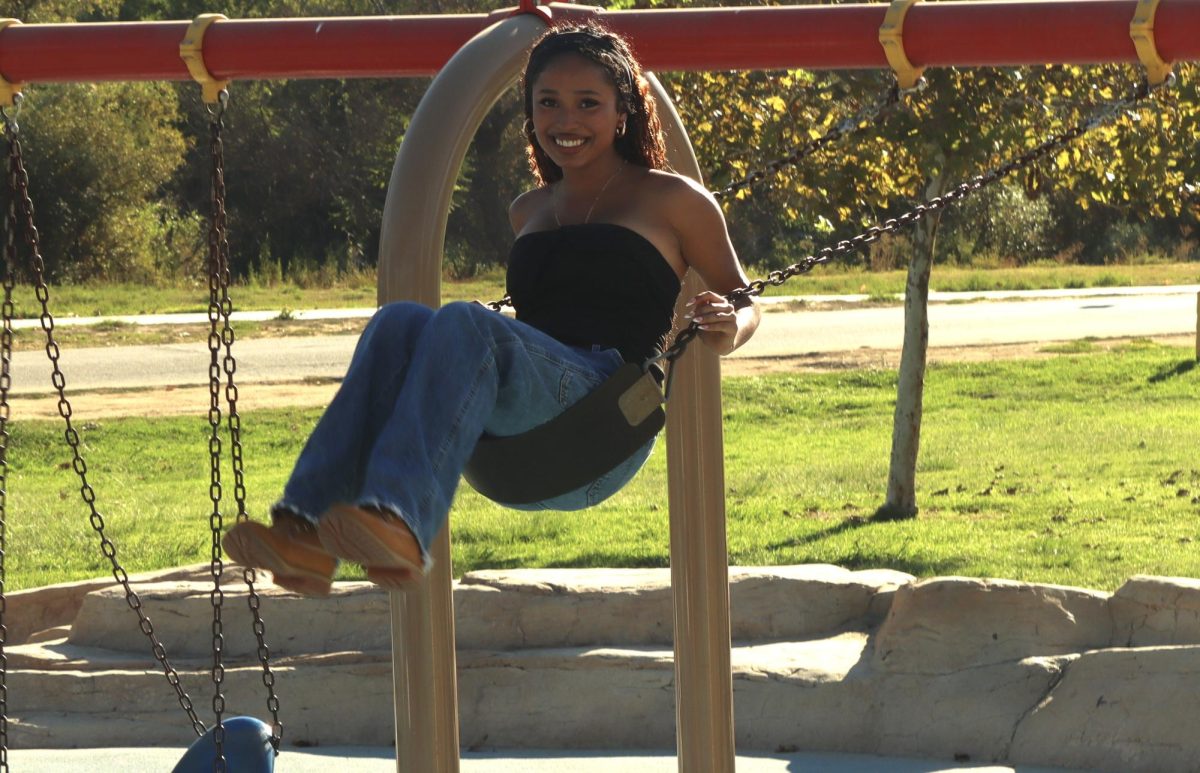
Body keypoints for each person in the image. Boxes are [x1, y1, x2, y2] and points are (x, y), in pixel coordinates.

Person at [222, 21, 761, 596]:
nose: (566, 120)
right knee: (398, 321)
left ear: (622, 113)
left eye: (588, 104)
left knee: (460, 319)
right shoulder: (528, 209)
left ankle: (400, 520)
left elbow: (744, 297)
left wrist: (730, 328)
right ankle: (302, 529)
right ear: (530, 113)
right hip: (526, 425)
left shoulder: (673, 198)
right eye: (548, 103)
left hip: (601, 410)